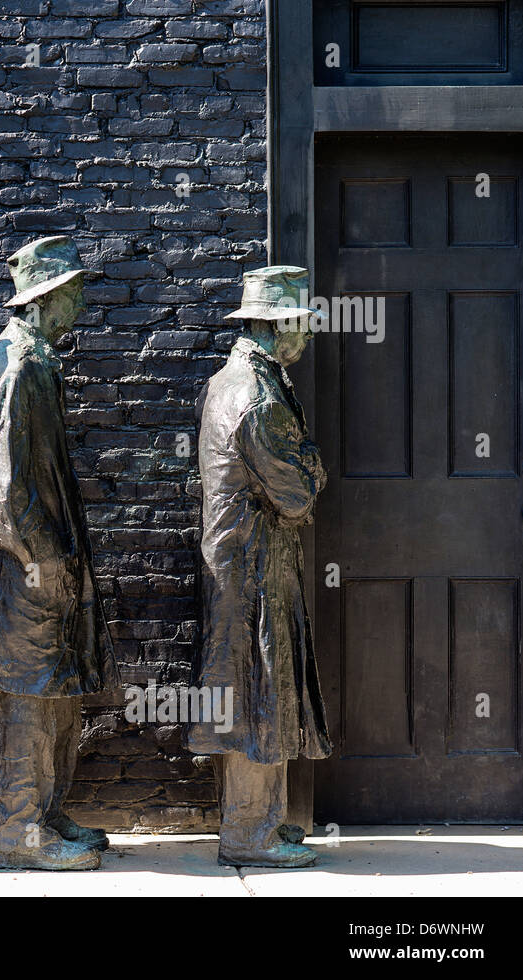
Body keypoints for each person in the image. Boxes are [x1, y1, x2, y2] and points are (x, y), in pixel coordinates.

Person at [0, 235, 118, 870]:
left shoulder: (35, 359)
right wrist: (43, 557)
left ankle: (46, 814)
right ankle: (19, 827)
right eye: (73, 291)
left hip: (42, 560)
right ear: (47, 299)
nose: (80, 302)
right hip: (27, 566)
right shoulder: (20, 366)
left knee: (56, 687)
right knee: (29, 691)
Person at [191, 265, 331, 868]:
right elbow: (299, 492)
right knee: (252, 691)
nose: (310, 334)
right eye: (305, 322)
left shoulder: (245, 381)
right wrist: (313, 466)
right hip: (251, 568)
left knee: (261, 688)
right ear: (282, 325)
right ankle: (248, 834)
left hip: (252, 563)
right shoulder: (255, 396)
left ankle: (263, 823)